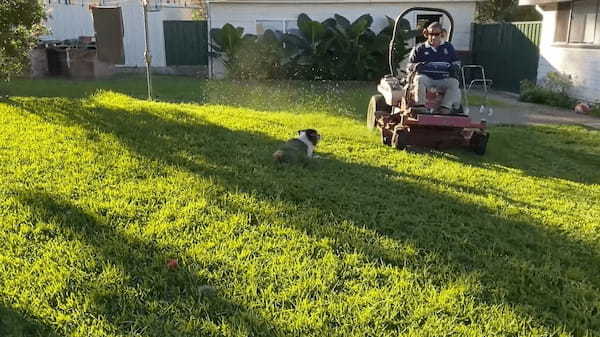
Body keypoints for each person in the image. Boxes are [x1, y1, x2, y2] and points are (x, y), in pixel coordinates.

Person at [407, 22, 461, 114]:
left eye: (437, 34)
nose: (434, 37)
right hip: (426, 79)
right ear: (426, 34)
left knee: (454, 82)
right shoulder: (419, 48)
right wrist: (415, 66)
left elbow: (457, 63)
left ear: (442, 34)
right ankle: (420, 106)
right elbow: (409, 66)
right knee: (419, 79)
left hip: (443, 78)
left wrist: (455, 67)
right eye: (431, 34)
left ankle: (445, 108)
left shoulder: (448, 47)